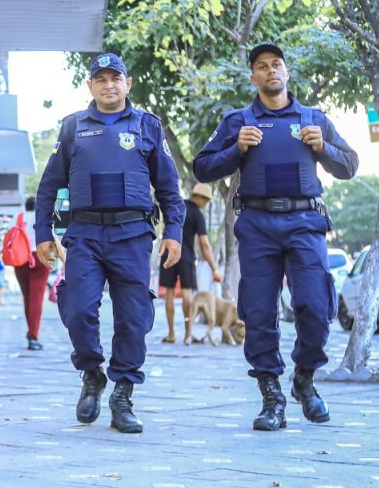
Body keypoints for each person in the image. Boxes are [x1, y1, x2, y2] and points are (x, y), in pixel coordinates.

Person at [193, 43, 358, 431]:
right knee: (260, 312)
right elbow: (202, 167)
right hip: (258, 226)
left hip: (305, 223)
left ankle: (304, 379)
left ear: (287, 71)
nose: (271, 71)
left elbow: (349, 165)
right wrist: (237, 148)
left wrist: (325, 147)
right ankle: (271, 395)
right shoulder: (239, 120)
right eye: (262, 67)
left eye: (277, 64)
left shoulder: (313, 118)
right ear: (253, 76)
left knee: (316, 308)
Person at [35, 53, 184, 433]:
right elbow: (49, 185)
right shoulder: (72, 128)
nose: (108, 85)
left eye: (115, 78)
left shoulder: (148, 126)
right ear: (90, 87)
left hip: (133, 235)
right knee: (78, 307)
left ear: (127, 83)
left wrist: (174, 233)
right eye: (100, 79)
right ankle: (91, 373)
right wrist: (42, 233)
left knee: (133, 318)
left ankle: (123, 395)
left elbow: (169, 187)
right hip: (84, 235)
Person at [158, 183, 221, 345]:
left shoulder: (176, 207)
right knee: (187, 294)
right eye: (206, 201)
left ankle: (171, 334)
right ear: (198, 197)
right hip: (185, 256)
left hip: (168, 253)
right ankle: (188, 334)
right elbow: (205, 245)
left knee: (170, 294)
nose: (205, 204)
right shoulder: (197, 215)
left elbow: (165, 229)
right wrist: (215, 268)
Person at [14, 197, 53, 351]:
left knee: (28, 297)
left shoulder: (17, 218)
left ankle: (31, 331)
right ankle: (33, 335)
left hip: (21, 259)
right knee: (36, 298)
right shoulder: (44, 217)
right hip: (40, 257)